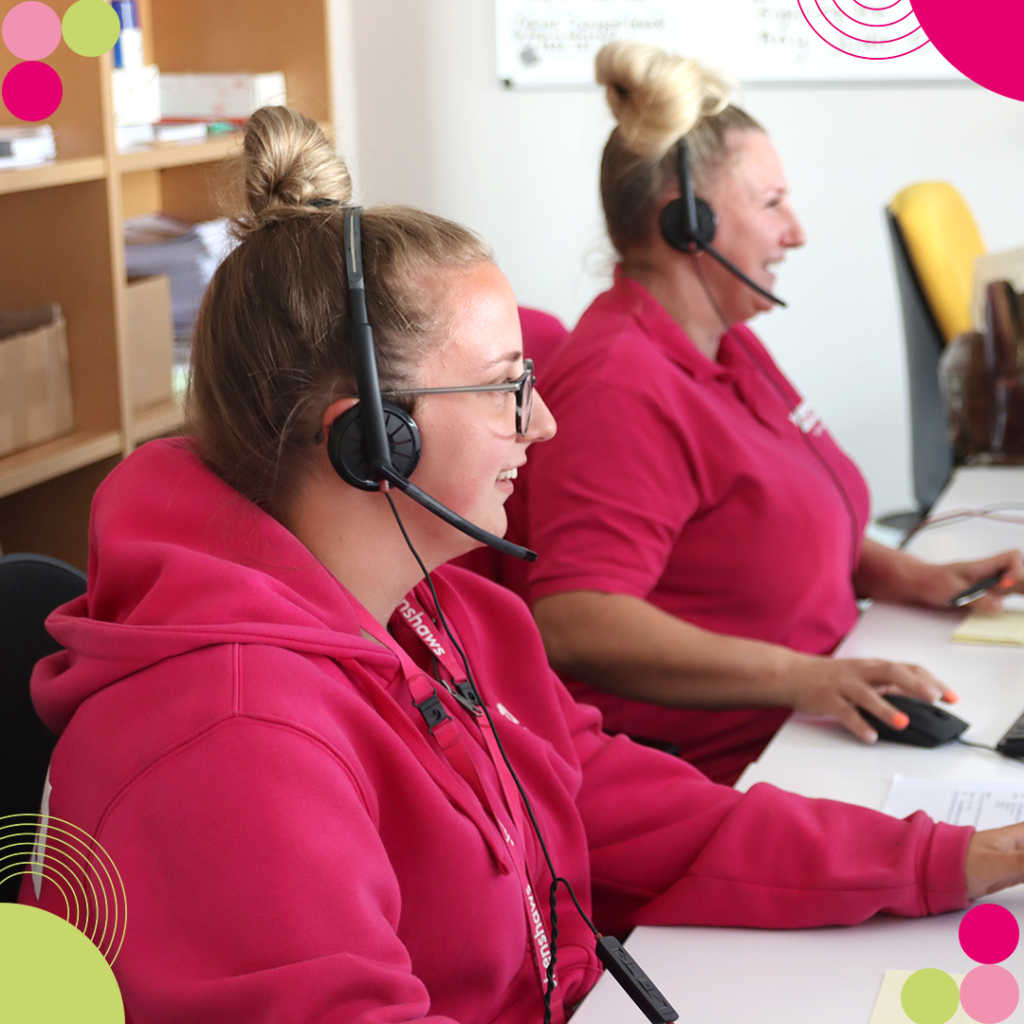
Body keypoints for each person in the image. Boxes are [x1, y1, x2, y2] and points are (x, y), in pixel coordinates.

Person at [21, 107, 1024, 1024]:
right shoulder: (232, 738)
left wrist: (947, 858)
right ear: (376, 439)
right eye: (508, 388)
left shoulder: (448, 616)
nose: (541, 424)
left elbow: (625, 809)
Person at [524, 41, 1024, 785]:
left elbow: (785, 515)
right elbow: (575, 621)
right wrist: (803, 678)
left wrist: (917, 579)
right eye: (770, 204)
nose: (797, 232)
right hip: (729, 769)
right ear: (686, 225)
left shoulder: (726, 346)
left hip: (810, 721)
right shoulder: (618, 389)